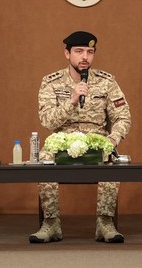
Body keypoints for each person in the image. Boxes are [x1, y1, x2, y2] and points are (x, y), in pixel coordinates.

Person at [30, 31, 131, 244]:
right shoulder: (51, 82)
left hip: (97, 139)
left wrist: (112, 140)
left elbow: (123, 117)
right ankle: (51, 223)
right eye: (79, 51)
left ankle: (105, 223)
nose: (85, 57)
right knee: (45, 160)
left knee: (110, 160)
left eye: (90, 52)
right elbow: (48, 120)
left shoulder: (107, 81)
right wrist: (73, 100)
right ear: (67, 54)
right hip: (62, 141)